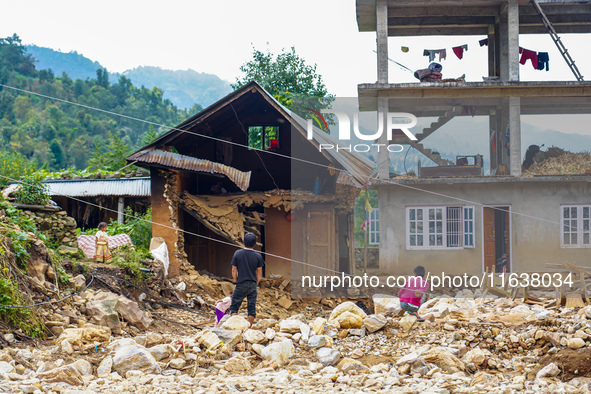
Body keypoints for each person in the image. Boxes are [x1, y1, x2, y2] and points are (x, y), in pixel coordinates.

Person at [228, 232, 263, 327]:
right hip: (252, 284)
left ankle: (234, 326)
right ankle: (249, 327)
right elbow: (259, 274)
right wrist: (256, 283)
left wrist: (236, 281)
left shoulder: (237, 253)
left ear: (244, 242)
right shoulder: (258, 256)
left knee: (234, 306)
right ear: (255, 243)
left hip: (241, 283)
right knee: (251, 307)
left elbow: (233, 269)